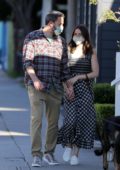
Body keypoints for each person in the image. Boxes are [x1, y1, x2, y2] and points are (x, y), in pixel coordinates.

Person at [22, 10, 74, 167]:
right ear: (51, 23)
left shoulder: (61, 42)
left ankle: (49, 154)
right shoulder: (32, 37)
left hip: (55, 87)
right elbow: (27, 62)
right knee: (36, 119)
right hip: (36, 85)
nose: (62, 27)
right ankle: (36, 154)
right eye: (60, 24)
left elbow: (64, 68)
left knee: (53, 122)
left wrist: (68, 87)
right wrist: (35, 80)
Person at [57, 25, 99, 165]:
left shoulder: (91, 52)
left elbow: (95, 73)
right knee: (69, 121)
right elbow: (63, 72)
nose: (77, 36)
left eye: (80, 34)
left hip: (85, 91)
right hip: (69, 89)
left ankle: (76, 152)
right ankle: (68, 145)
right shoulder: (68, 51)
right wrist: (67, 87)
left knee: (81, 122)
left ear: (85, 35)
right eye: (75, 34)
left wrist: (79, 77)